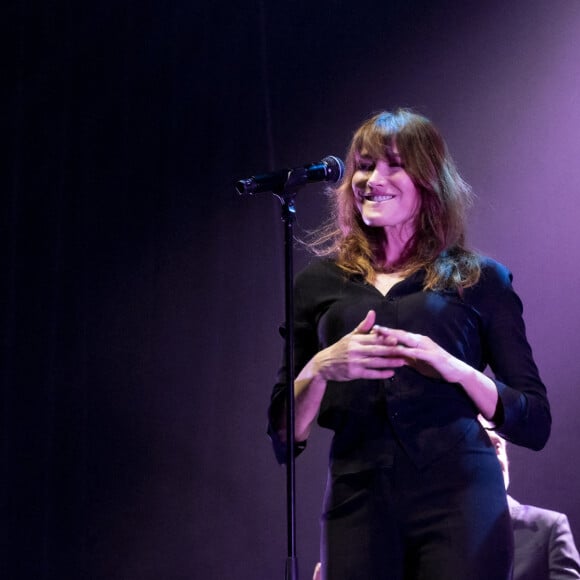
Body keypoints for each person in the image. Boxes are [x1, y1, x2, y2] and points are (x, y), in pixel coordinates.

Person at [267, 108, 552, 580]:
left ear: (428, 182)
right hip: (358, 499)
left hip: (460, 498)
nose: (371, 179)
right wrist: (319, 368)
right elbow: (283, 436)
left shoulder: (479, 279)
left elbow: (535, 421)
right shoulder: (318, 284)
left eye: (392, 165)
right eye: (363, 165)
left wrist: (456, 369)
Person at [486, 430, 580, 580]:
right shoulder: (444, 531)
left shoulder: (549, 527)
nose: (492, 458)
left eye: (497, 447)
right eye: (481, 447)